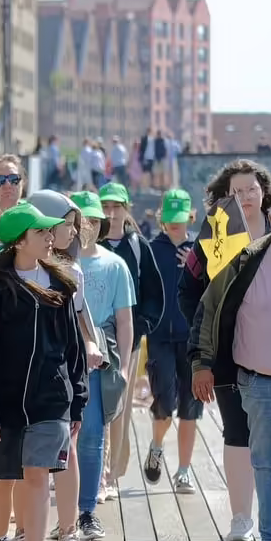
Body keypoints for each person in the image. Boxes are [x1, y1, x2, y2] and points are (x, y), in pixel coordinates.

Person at [0, 203, 87, 541]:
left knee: (37, 477)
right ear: (20, 240)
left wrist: (77, 397)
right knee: (2, 480)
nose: (51, 237)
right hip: (1, 403)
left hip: (51, 400)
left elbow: (73, 349)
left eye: (51, 232)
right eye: (42, 232)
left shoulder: (62, 285)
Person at [191, 184, 271, 541]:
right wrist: (201, 363)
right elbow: (209, 311)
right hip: (257, 382)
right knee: (268, 463)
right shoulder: (245, 261)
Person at [180, 159, 271, 541]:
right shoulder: (215, 233)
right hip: (227, 355)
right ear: (226, 195)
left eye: (252, 188)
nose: (246, 196)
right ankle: (240, 518)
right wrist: (209, 332)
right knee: (238, 431)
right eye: (237, 190)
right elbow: (187, 290)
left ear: (264, 191)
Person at [27, 189, 97, 541]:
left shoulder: (73, 272)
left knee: (65, 452)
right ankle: (24, 532)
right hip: (20, 380)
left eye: (74, 224)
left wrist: (89, 354)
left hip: (62, 377)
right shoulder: (11, 268)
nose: (72, 231)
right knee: (26, 462)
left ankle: (67, 533)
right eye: (65, 224)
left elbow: (79, 325)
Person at [71, 191, 135, 541]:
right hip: (62, 351)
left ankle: (86, 511)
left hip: (100, 354)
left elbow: (125, 321)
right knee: (59, 433)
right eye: (82, 221)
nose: (88, 227)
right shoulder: (55, 261)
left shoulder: (115, 265)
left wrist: (125, 367)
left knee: (93, 432)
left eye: (95, 221)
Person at [97, 182, 164, 496]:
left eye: (116, 207)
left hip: (128, 339)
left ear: (126, 209)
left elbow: (154, 291)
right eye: (105, 207)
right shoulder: (90, 243)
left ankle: (111, 472)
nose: (111, 214)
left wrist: (143, 325)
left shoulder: (137, 245)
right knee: (94, 406)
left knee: (119, 406)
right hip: (93, 337)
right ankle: (95, 468)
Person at [143, 190, 202, 494]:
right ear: (162, 218)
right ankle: (156, 445)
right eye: (170, 220)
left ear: (191, 217)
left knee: (190, 408)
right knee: (164, 403)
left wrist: (198, 266)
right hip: (159, 339)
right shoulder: (151, 249)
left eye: (181, 220)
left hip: (193, 340)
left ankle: (183, 472)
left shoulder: (202, 249)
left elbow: (213, 288)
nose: (175, 226)